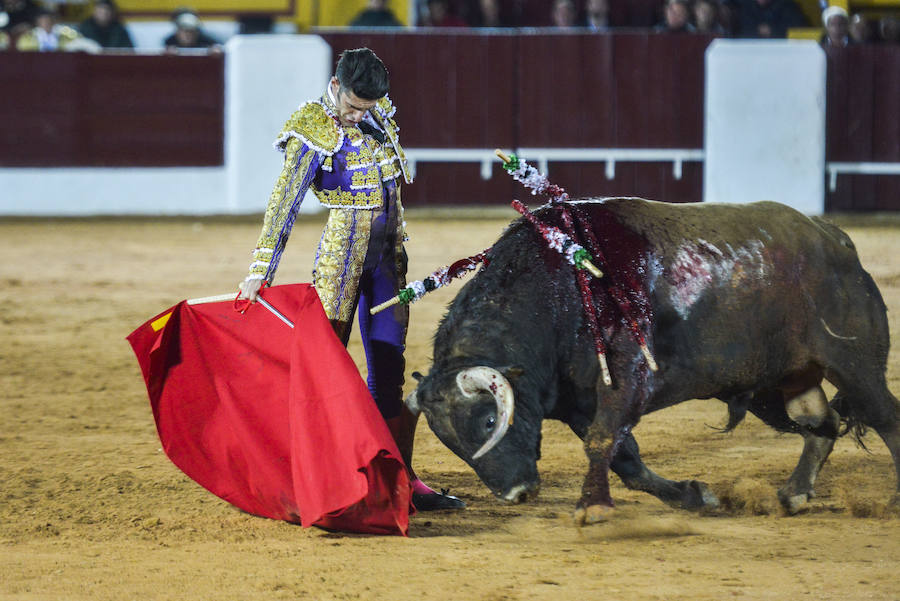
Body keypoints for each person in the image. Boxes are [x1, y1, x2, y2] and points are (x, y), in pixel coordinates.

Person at [238, 48, 465, 512]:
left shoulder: (378, 115)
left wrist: (367, 113)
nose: (359, 114)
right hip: (341, 265)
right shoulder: (311, 126)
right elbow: (284, 205)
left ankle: (399, 479)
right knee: (326, 372)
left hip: (387, 264)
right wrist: (259, 273)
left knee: (389, 368)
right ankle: (311, 478)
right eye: (353, 105)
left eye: (367, 107)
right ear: (336, 85)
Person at [16, 7, 100, 51]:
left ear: (53, 21)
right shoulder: (28, 37)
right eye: (43, 20)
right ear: (38, 22)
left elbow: (89, 45)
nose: (46, 23)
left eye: (48, 20)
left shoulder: (67, 35)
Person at [729, 0, 808, 38]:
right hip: (747, 58)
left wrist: (771, 31)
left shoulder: (789, 6)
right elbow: (736, 34)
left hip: (783, 58)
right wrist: (758, 32)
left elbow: (803, 35)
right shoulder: (740, 6)